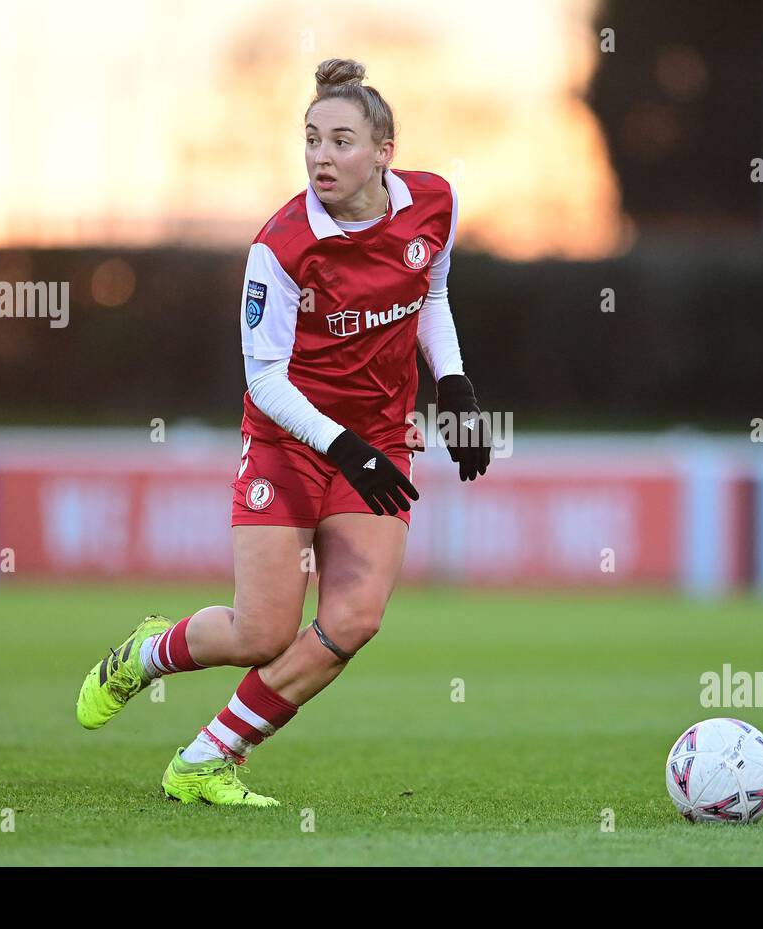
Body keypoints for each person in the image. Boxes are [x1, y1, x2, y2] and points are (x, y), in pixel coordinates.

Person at [75, 57, 492, 805]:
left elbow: (432, 289)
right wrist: (342, 447)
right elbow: (264, 380)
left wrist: (454, 384)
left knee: (354, 621)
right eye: (310, 140)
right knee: (261, 633)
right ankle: (144, 654)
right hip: (290, 441)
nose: (321, 158)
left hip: (379, 441)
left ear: (383, 151)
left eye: (340, 142)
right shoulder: (283, 245)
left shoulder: (435, 203)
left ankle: (206, 757)